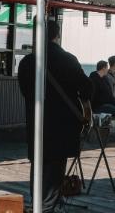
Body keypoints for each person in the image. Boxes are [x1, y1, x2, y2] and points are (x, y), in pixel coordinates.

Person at [17, 20, 93, 213]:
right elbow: (86, 88)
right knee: (56, 167)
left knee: (38, 164)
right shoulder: (67, 59)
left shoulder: (27, 62)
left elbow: (25, 91)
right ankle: (47, 207)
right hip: (62, 124)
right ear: (57, 35)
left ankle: (37, 204)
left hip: (37, 122)